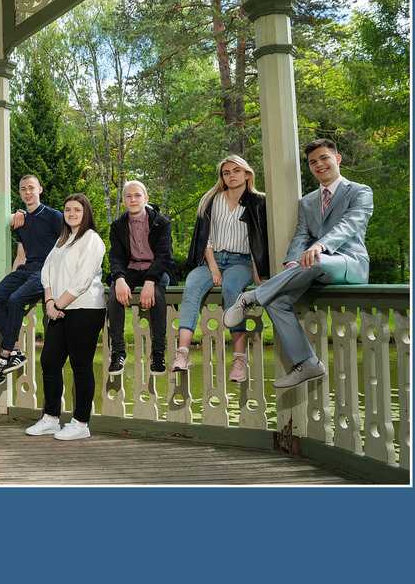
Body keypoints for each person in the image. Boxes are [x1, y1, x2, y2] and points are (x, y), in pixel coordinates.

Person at [225, 139, 373, 392]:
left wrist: (321, 246)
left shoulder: (360, 191)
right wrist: (293, 260)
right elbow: (302, 235)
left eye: (324, 158)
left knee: (314, 260)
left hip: (349, 262)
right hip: (314, 264)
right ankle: (307, 362)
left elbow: (350, 225)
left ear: (337, 159)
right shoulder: (307, 201)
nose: (319, 165)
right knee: (276, 300)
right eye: (313, 162)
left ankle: (249, 298)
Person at [174, 153, 269, 385]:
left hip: (241, 261)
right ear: (222, 177)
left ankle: (239, 359)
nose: (231, 176)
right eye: (226, 173)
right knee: (192, 286)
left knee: (232, 288)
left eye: (236, 171)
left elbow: (260, 240)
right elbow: (205, 239)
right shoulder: (211, 200)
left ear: (247, 174)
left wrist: (259, 275)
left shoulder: (259, 202)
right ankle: (183, 353)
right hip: (213, 259)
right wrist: (214, 268)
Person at [26, 195, 108, 441]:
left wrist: (56, 305)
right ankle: (51, 418)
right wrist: (50, 302)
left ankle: (81, 423)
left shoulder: (91, 239)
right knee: (50, 362)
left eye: (77, 209)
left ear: (86, 213)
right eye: (67, 209)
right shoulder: (62, 240)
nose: (71, 213)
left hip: (85, 310)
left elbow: (82, 280)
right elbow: (46, 273)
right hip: (58, 309)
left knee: (80, 366)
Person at [0, 174, 67, 386]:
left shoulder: (54, 216)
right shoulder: (20, 220)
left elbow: (65, 246)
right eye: (23, 189)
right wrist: (10, 278)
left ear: (39, 189)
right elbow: (21, 255)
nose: (27, 192)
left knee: (16, 299)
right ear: (20, 192)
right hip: (26, 268)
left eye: (31, 188)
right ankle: (15, 349)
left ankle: (5, 354)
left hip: (46, 269)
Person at [104, 178, 175, 390]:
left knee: (158, 295)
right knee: (113, 297)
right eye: (129, 196)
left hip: (156, 268)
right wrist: (119, 279)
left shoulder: (161, 223)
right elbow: (115, 256)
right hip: (131, 269)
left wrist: (151, 281)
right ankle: (118, 352)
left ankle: (158, 353)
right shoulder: (117, 226)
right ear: (124, 201)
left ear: (146, 198)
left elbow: (165, 256)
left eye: (137, 195)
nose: (133, 199)